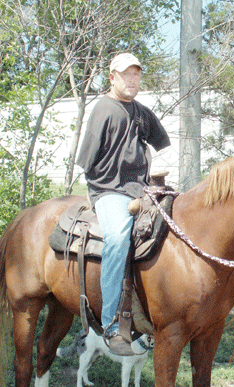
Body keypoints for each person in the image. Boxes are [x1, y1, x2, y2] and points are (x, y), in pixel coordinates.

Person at [76, 52, 170, 356]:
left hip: (142, 191)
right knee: (117, 238)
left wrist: (156, 173)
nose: (132, 80)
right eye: (126, 74)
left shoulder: (142, 112)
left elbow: (163, 145)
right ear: (112, 76)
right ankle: (111, 322)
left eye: (136, 75)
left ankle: (157, 318)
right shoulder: (103, 109)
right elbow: (87, 163)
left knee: (173, 231)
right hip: (110, 191)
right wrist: (109, 186)